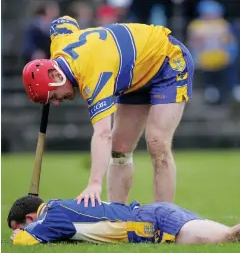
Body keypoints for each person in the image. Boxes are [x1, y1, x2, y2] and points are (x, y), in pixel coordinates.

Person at [22, 16, 194, 206]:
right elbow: (62, 22)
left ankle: (165, 220)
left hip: (167, 62)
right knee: (119, 150)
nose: (55, 103)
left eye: (53, 96)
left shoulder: (92, 74)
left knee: (157, 143)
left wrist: (94, 184)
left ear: (56, 76)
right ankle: (116, 219)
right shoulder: (59, 46)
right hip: (132, 75)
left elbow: (103, 133)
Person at [7, 195, 240, 245]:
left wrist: (19, 234)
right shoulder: (61, 210)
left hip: (155, 221)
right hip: (155, 215)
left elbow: (23, 241)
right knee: (229, 239)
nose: (23, 230)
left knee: (229, 236)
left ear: (30, 217)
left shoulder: (53, 215)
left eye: (21, 223)